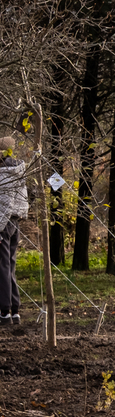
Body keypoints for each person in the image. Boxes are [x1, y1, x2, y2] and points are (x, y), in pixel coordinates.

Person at [0, 136, 28, 326]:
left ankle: (4, 312)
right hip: (16, 222)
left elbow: (3, 205)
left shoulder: (3, 172)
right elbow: (22, 198)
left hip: (3, 224)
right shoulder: (20, 169)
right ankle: (15, 310)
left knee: (2, 267)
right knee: (10, 265)